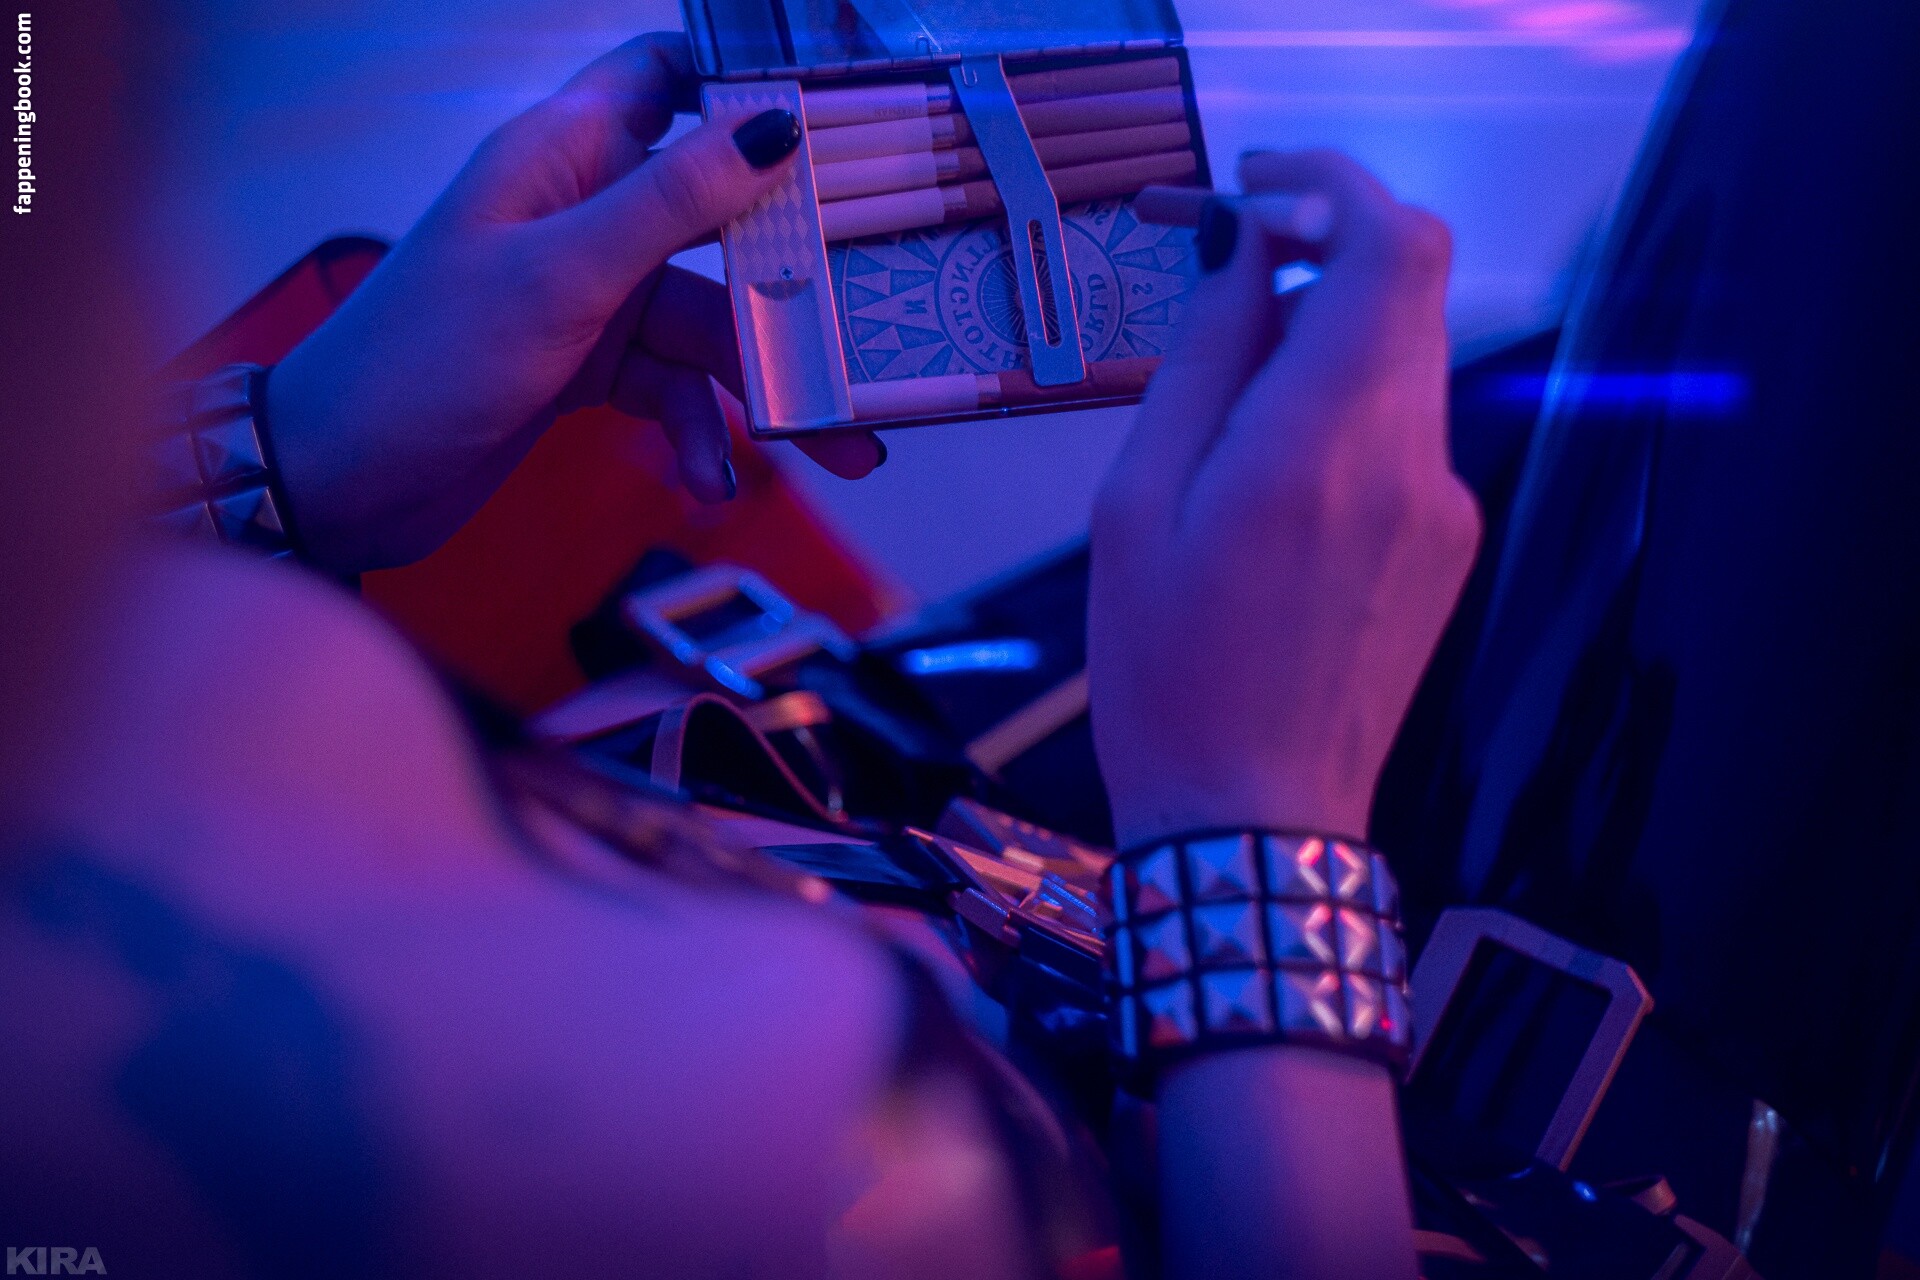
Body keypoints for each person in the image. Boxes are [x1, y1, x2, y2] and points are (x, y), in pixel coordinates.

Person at [0, 27, 1478, 1280]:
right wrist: (1255, 838)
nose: (152, 310)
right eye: (105, 216)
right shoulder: (665, 1152)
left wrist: (288, 457)